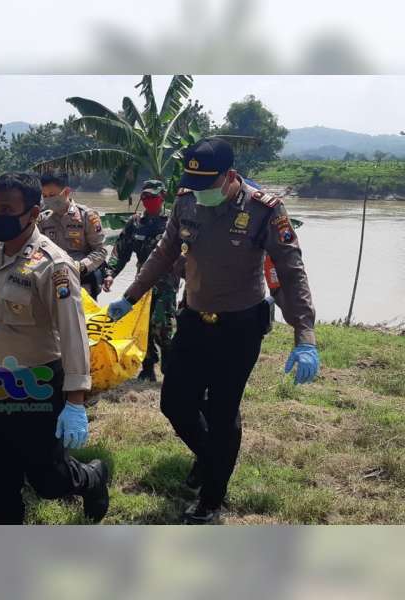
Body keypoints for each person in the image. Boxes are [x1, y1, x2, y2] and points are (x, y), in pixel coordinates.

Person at [107, 138, 320, 524]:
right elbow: (165, 252)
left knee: (223, 412)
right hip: (194, 317)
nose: (199, 192)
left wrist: (304, 334)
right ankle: (212, 459)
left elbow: (291, 270)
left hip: (240, 325)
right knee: (175, 402)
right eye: (194, 184)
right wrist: (132, 294)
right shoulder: (187, 201)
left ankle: (211, 497)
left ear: (230, 177)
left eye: (208, 185)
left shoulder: (265, 211)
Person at [0, 171, 110, 524]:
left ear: (33, 213)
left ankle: (92, 477)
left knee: (49, 481)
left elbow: (73, 332)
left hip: (38, 384)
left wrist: (76, 400)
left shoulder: (55, 266)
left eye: (8, 209)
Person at [102, 179, 181, 382]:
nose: (148, 200)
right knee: (142, 325)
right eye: (145, 197)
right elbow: (121, 251)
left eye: (153, 197)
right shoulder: (136, 223)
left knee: (161, 324)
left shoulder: (172, 222)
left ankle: (169, 363)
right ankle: (147, 366)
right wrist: (110, 273)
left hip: (167, 281)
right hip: (142, 282)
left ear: (162, 196)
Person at [37, 172, 107, 299]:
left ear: (66, 191)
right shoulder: (42, 219)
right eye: (45, 196)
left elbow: (100, 250)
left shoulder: (87, 216)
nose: (48, 199)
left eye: (52, 195)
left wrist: (81, 266)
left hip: (82, 279)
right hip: (53, 280)